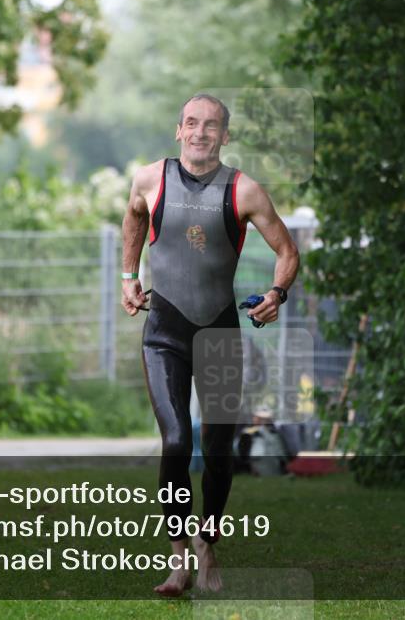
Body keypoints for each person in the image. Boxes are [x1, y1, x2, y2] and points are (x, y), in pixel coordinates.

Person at [120, 93, 299, 595]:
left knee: (218, 452)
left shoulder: (245, 191)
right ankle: (178, 558)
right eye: (192, 124)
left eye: (212, 125)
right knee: (177, 441)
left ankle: (207, 541)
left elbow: (287, 251)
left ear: (225, 135)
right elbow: (134, 217)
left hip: (221, 334)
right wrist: (127, 276)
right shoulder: (150, 179)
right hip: (164, 334)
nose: (201, 132)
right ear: (179, 130)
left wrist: (277, 292)